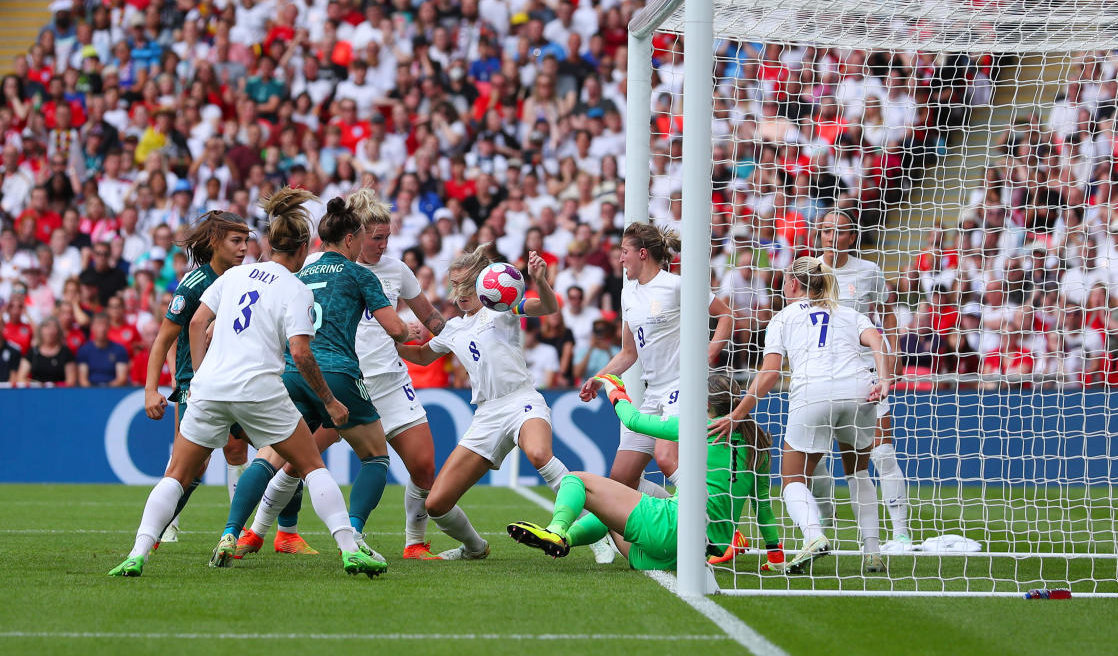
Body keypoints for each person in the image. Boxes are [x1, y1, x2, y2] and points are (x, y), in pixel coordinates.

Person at [109, 188, 386, 578]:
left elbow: (195, 322)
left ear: (269, 243)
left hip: (210, 388)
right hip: (259, 390)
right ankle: (348, 548)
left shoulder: (233, 275)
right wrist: (330, 400)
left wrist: (201, 373)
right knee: (310, 465)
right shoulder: (296, 288)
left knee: (177, 474)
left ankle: (138, 553)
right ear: (304, 247)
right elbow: (302, 354)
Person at [237, 189, 482, 561]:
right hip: (338, 380)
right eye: (376, 238)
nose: (383, 245)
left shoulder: (396, 270)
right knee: (295, 460)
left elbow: (430, 317)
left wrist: (464, 328)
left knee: (423, 466)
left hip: (388, 380)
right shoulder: (318, 263)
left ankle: (414, 542)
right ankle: (261, 531)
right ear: (354, 235)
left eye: (387, 238)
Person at [214, 195, 409, 566]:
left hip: (289, 372)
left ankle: (231, 531)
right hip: (336, 373)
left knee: (269, 457)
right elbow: (395, 328)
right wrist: (410, 330)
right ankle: (354, 533)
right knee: (375, 456)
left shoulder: (299, 274)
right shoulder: (360, 274)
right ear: (350, 239)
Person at [398, 244, 608, 562]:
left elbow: (547, 307)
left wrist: (541, 279)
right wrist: (387, 339)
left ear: (483, 281)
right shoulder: (453, 328)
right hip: (486, 416)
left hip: (522, 400)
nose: (460, 291)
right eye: (455, 284)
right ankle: (474, 548)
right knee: (436, 504)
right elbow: (421, 356)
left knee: (539, 453)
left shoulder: (502, 308)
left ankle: (590, 532)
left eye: (467, 283)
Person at [712, 256, 893, 575]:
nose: (782, 286)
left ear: (794, 284)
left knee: (793, 479)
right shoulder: (849, 313)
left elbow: (768, 374)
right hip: (859, 390)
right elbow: (877, 339)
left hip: (814, 392)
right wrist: (885, 380)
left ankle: (813, 536)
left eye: (784, 281)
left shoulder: (783, 318)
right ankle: (873, 552)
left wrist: (738, 413)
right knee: (858, 472)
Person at [508, 373, 783, 573]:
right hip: (688, 555)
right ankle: (565, 541)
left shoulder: (697, 425)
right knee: (616, 503)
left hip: (671, 527)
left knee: (575, 480)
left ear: (706, 405)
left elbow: (634, 421)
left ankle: (557, 531)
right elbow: (764, 510)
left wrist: (615, 389)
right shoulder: (759, 446)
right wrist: (775, 553)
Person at [578, 223, 734, 496]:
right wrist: (600, 378)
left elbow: (726, 315)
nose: (620, 258)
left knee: (665, 457)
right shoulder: (628, 293)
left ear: (642, 254)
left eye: (624, 251)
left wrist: (711, 351)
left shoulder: (675, 286)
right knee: (620, 479)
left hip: (682, 388)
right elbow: (629, 352)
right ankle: (678, 516)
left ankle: (712, 520)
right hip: (654, 394)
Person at [140, 211, 252, 544]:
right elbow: (163, 339)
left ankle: (238, 531)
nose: (244, 248)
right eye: (236, 240)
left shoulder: (245, 279)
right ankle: (161, 526)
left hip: (234, 379)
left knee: (236, 450)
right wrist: (151, 389)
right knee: (194, 462)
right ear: (215, 242)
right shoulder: (193, 285)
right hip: (197, 385)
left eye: (246, 240)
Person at [817, 207, 912, 552]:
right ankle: (822, 523)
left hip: (868, 371)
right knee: (817, 458)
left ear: (852, 236)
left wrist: (894, 352)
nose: (832, 238)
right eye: (827, 231)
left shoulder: (869, 271)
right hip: (825, 374)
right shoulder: (811, 270)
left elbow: (885, 310)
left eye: (839, 232)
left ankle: (900, 533)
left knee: (882, 453)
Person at [16, 317, 77, 385]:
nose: (50, 332)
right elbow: (20, 378)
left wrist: (53, 386)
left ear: (59, 331)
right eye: (47, 327)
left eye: (54, 327)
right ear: (41, 331)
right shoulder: (33, 352)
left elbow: (71, 381)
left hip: (59, 392)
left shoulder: (65, 353)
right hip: (36, 392)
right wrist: (36, 385)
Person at [77, 311, 129, 386]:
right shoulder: (84, 350)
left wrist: (105, 391)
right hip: (90, 391)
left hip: (113, 391)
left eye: (105, 324)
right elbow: (83, 379)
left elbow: (121, 378)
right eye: (98, 324)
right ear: (92, 327)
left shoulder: (119, 350)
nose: (102, 328)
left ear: (109, 327)